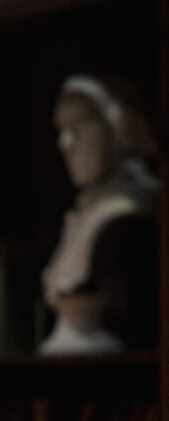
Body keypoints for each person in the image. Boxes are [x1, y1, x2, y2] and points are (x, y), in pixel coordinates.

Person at [40, 74, 159, 353]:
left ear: (117, 127)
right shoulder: (81, 217)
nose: (66, 143)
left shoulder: (124, 217)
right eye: (61, 131)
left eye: (79, 125)